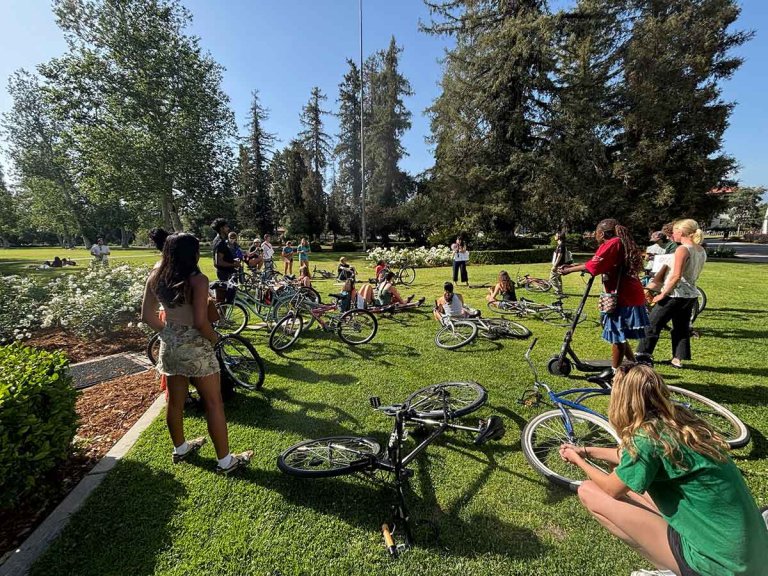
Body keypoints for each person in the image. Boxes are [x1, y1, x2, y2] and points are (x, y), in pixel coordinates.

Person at [559, 363, 768, 576]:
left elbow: (612, 489)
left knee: (588, 491)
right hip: (754, 555)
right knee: (633, 485)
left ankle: (672, 570)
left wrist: (578, 460)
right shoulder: (681, 422)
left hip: (719, 566)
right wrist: (587, 450)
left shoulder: (646, 440)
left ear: (622, 399)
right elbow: (629, 458)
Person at [141, 233, 252, 475]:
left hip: (170, 347)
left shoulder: (156, 277)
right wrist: (215, 339)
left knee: (175, 402)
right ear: (192, 254)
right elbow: (202, 322)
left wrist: (171, 334)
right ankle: (225, 462)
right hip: (197, 348)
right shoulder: (198, 280)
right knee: (213, 403)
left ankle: (180, 449)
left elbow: (147, 316)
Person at [559, 218, 649, 379]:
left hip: (623, 296)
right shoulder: (617, 242)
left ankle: (615, 374)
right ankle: (633, 364)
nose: (595, 236)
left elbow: (594, 266)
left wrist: (569, 270)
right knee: (619, 333)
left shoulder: (613, 243)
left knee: (617, 334)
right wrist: (574, 267)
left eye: (596, 233)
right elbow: (597, 263)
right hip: (627, 293)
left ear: (601, 233)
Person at [636, 219, 707, 369]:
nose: (671, 234)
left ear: (681, 232)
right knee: (681, 327)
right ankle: (677, 359)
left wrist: (662, 294)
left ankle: (643, 356)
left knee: (652, 324)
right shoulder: (700, 250)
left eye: (674, 231)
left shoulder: (683, 249)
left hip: (675, 294)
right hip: (690, 295)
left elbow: (676, 275)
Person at [550, 232, 572, 297]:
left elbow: (559, 256)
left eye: (556, 235)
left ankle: (558, 292)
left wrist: (555, 265)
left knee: (552, 278)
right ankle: (560, 292)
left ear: (559, 237)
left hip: (558, 265)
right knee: (558, 279)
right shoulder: (561, 245)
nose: (554, 236)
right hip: (559, 265)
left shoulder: (561, 245)